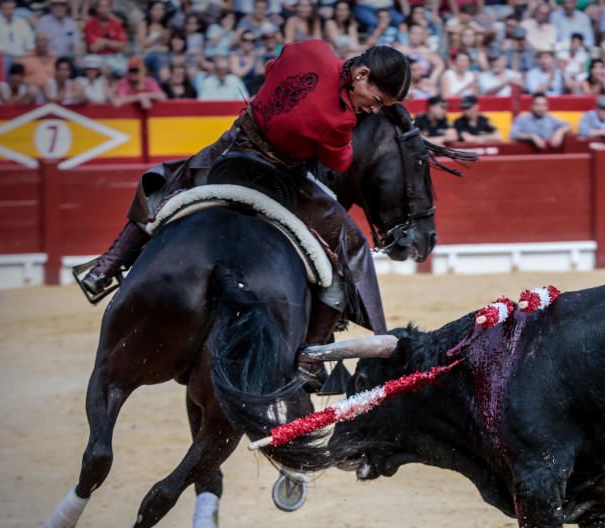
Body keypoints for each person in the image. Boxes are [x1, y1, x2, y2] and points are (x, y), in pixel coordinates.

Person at [79, 42, 412, 371]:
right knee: (350, 247)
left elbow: (271, 69)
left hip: (231, 149)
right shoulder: (340, 122)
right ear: (361, 74)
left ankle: (105, 267)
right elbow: (339, 162)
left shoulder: (311, 49)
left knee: (163, 184)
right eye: (377, 101)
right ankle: (310, 357)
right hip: (280, 177)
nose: (373, 110)